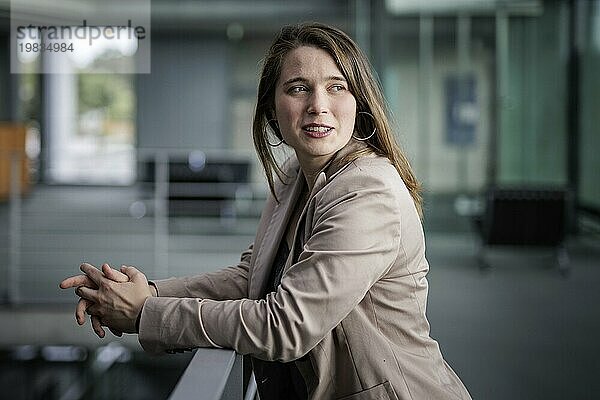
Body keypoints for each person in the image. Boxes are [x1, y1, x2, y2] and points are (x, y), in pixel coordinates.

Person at [60, 22, 472, 400]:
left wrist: (146, 314)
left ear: (359, 102)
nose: (317, 105)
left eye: (336, 86)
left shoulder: (368, 191)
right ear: (272, 109)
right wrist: (149, 292)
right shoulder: (296, 175)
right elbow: (253, 276)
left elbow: (286, 324)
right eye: (297, 88)